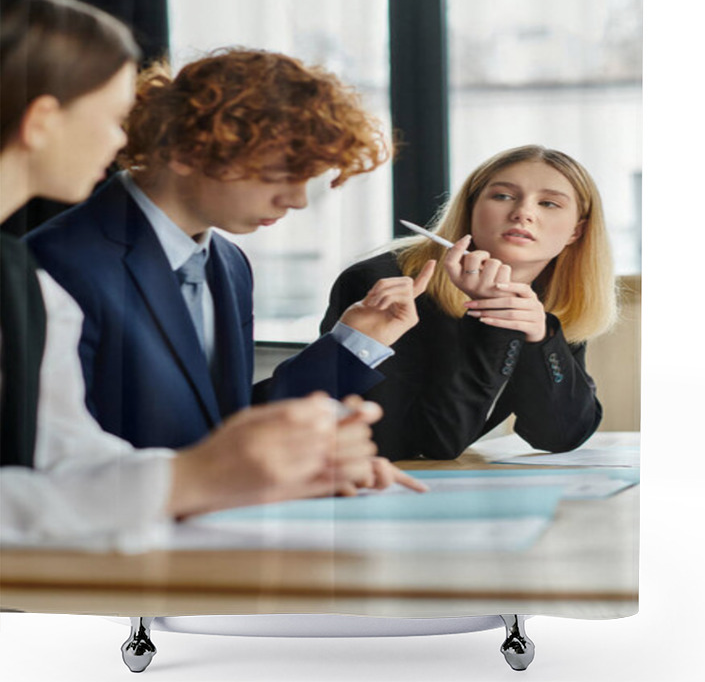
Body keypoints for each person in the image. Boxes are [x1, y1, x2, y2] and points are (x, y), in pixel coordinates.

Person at [0, 0, 387, 550]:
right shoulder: (52, 265)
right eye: (113, 116)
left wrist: (295, 464)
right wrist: (195, 479)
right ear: (40, 120)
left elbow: (76, 456)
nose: (124, 137)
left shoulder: (227, 264)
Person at [26, 48, 433, 492]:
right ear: (186, 151)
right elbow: (54, 462)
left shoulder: (228, 262)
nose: (297, 200)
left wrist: (355, 343)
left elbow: (226, 427)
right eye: (280, 173)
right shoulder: (52, 264)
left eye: (309, 177)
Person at [322, 145, 618, 461]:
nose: (523, 212)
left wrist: (541, 338)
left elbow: (560, 436)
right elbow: (425, 444)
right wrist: (492, 321)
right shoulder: (387, 283)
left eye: (548, 203)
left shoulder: (552, 296)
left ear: (576, 231)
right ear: (471, 207)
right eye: (503, 196)